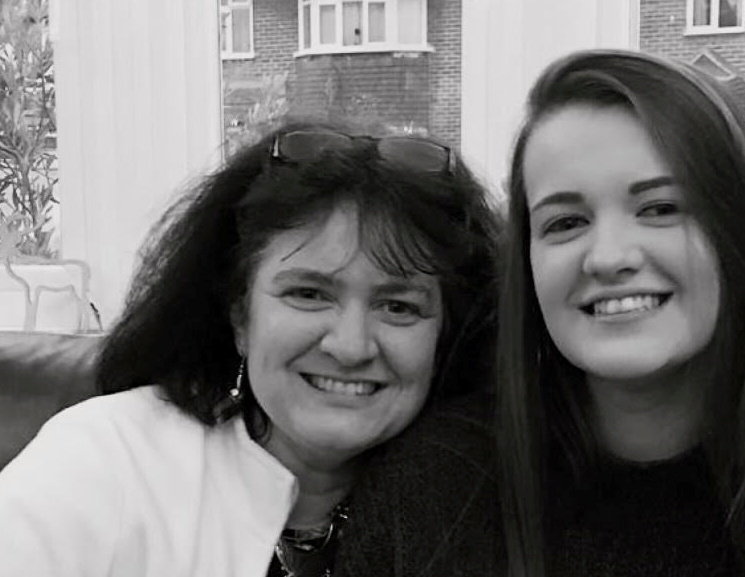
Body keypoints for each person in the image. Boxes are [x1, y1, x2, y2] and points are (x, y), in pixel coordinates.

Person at [335, 49, 745, 577]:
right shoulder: (434, 488)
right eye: (565, 222)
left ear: (741, 233)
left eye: (661, 207)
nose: (610, 257)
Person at [0, 120, 498, 577]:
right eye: (308, 294)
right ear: (240, 315)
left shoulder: (490, 499)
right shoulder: (107, 461)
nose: (350, 346)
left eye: (398, 307)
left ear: (447, 334)